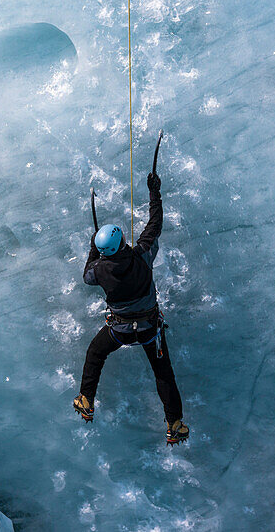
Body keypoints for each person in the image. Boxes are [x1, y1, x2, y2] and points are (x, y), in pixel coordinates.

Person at [73, 171, 189, 444]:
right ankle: (174, 423)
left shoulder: (99, 270)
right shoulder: (142, 255)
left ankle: (86, 399)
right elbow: (155, 224)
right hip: (150, 328)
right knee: (163, 373)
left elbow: (87, 274)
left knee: (95, 353)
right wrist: (154, 192)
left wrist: (93, 248)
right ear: (123, 241)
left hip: (119, 331)